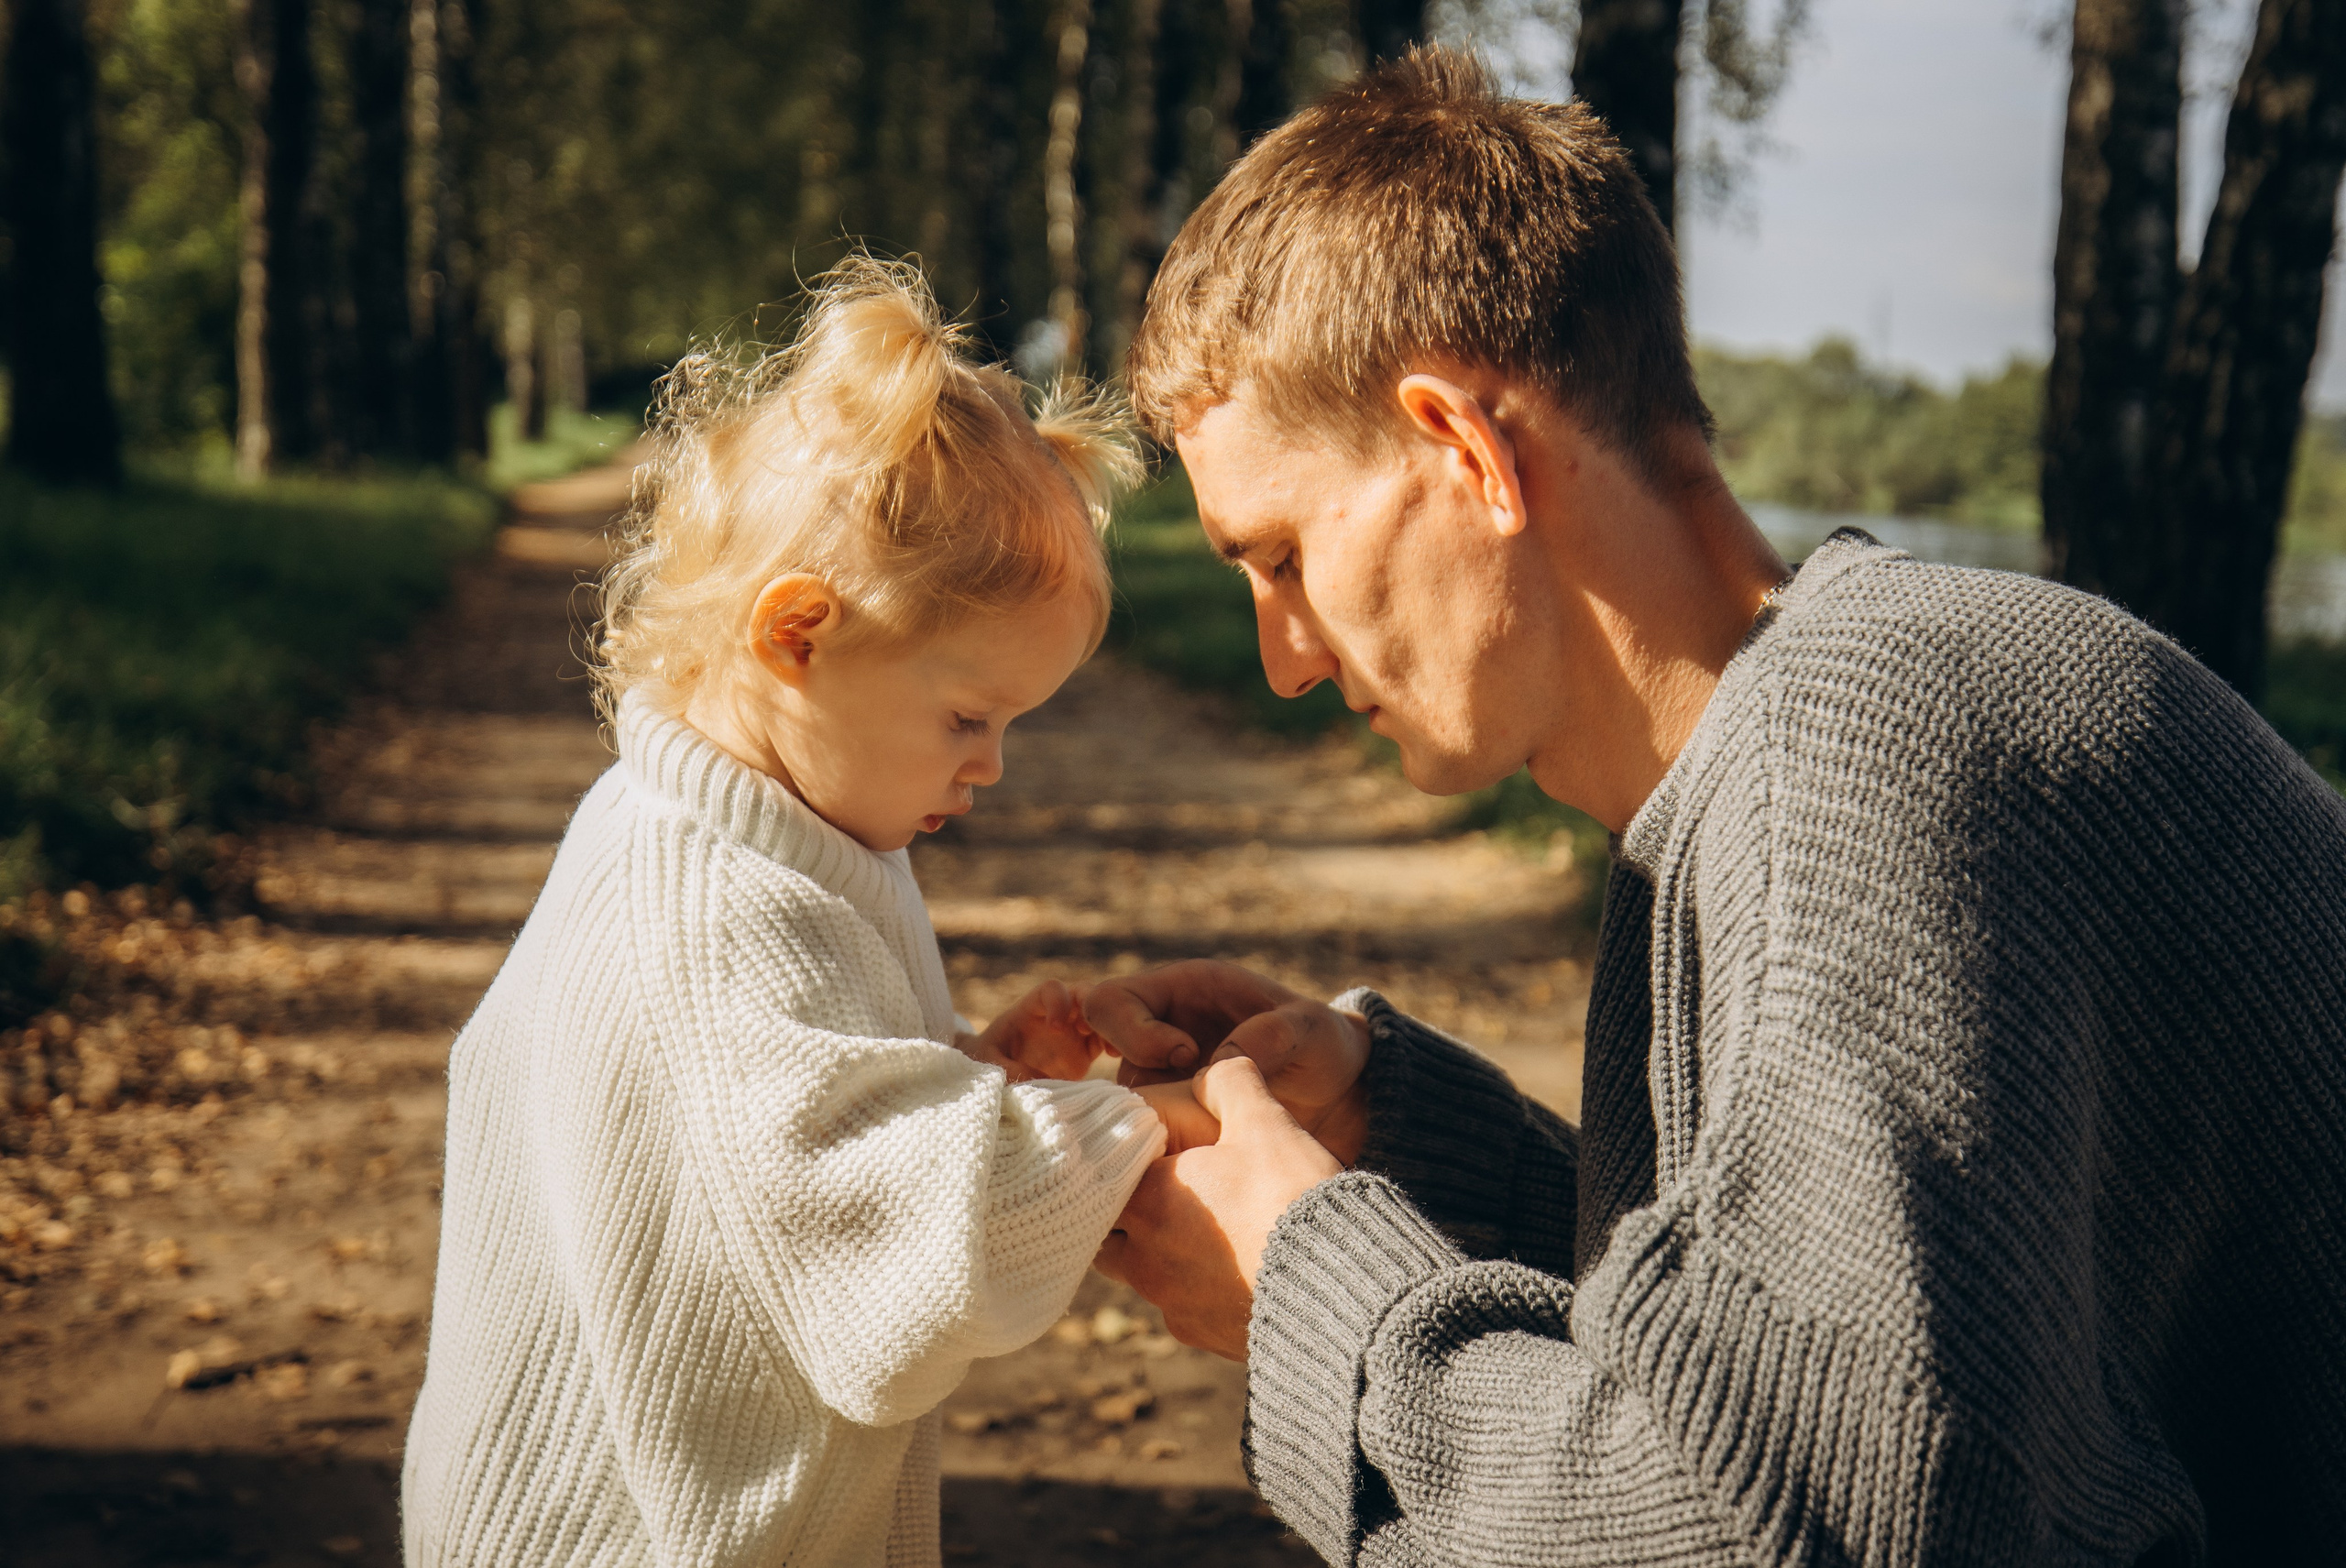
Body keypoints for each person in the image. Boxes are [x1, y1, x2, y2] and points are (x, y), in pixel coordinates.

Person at [1068, 48, 2346, 1566]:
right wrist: (1409, 1150)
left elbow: (1778, 1527)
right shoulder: (1789, 750)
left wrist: (1317, 1284)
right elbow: (1850, 1381)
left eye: (1279, 556)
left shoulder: (1877, 741)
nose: (1281, 657)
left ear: (1464, 449)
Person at [401, 260, 1208, 1567]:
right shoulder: (707, 908)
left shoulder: (775, 837)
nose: (990, 764)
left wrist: (969, 1078)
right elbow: (881, 1240)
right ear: (797, 636)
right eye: (968, 716)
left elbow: (767, 1143)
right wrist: (1133, 1130)